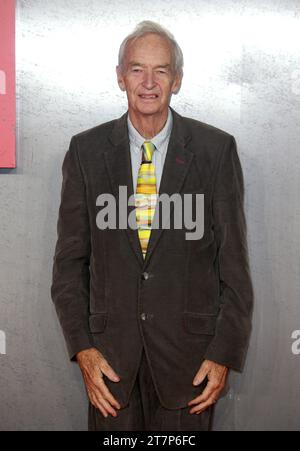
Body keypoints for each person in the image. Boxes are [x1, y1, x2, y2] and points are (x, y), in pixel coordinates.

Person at [51, 20, 253, 431]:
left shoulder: (215, 151)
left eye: (160, 70)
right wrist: (83, 351)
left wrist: (223, 353)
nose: (148, 82)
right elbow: (70, 265)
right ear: (120, 76)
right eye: (137, 69)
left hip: (190, 367)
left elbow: (233, 264)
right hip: (110, 368)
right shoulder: (86, 152)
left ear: (176, 80)